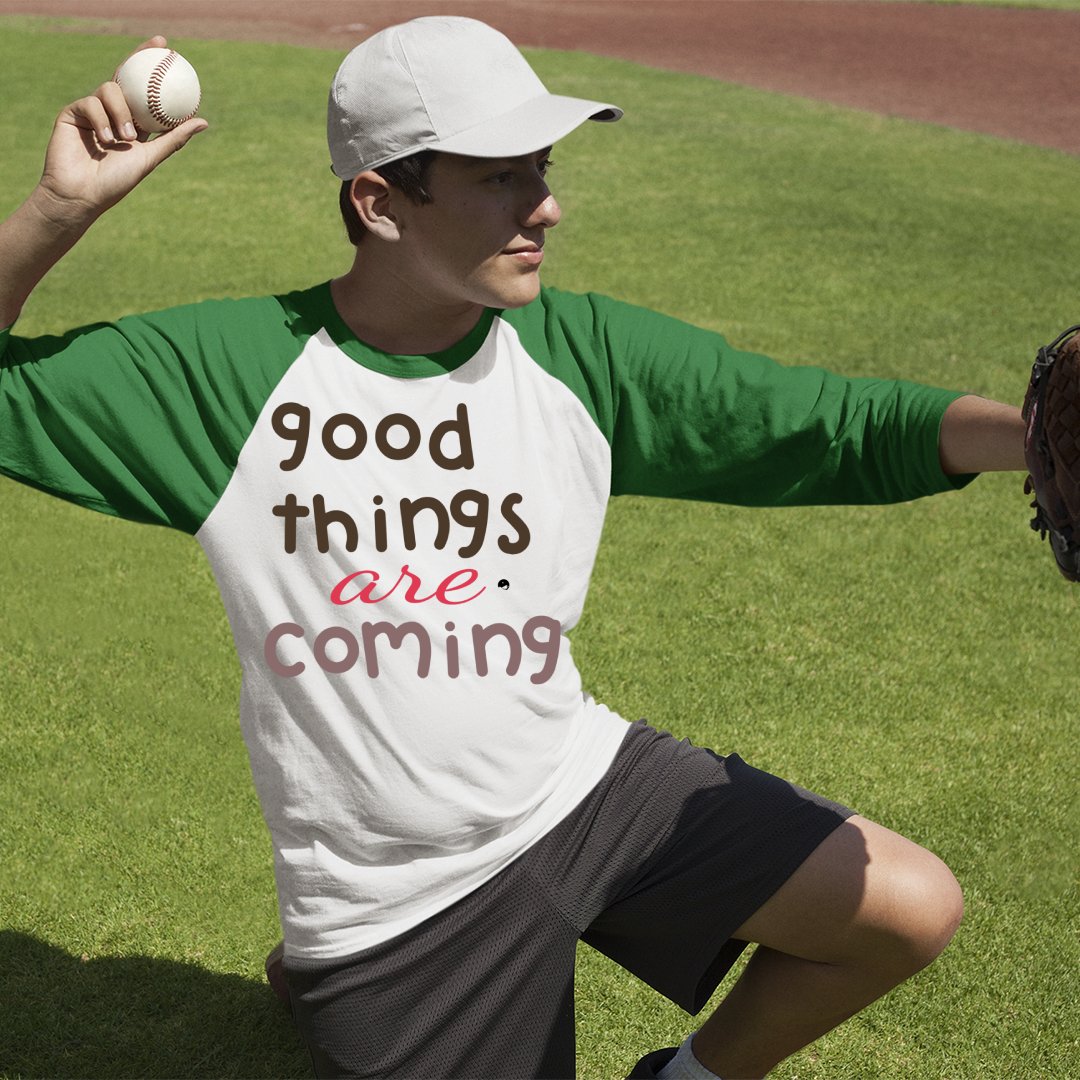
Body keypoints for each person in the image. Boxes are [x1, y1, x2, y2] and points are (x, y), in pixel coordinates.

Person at [0, 16, 1028, 1080]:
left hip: (577, 789)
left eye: (540, 167)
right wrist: (55, 212)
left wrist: (1036, 437)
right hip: (397, 897)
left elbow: (829, 423)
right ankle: (327, 981)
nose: (546, 204)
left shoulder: (581, 356)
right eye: (498, 177)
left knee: (909, 907)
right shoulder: (227, 376)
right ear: (380, 201)